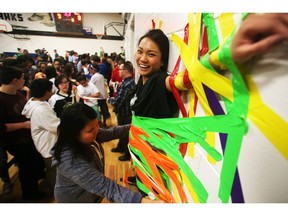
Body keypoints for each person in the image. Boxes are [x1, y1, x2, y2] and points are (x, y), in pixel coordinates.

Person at [51, 102, 164, 203]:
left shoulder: (89, 136)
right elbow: (108, 187)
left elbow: (112, 132)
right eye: (90, 130)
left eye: (97, 125)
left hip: (91, 194)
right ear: (73, 133)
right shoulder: (71, 161)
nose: (96, 131)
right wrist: (144, 202)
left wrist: (138, 128)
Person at [0, 65, 46, 201]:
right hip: (17, 141)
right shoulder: (2, 99)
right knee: (27, 169)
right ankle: (30, 195)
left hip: (28, 137)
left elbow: (25, 108)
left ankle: (35, 186)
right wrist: (24, 125)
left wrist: (27, 93)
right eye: (22, 78)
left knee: (33, 164)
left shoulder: (18, 93)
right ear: (15, 80)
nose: (24, 81)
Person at [22, 78, 59, 197]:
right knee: (54, 171)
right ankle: (58, 193)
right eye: (51, 89)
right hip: (48, 145)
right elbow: (56, 127)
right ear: (46, 92)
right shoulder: (41, 109)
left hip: (45, 142)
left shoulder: (35, 101)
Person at [130, 29, 179, 118]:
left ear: (162, 60)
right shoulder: (142, 80)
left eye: (151, 54)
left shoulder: (159, 81)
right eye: (140, 51)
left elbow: (176, 81)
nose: (143, 59)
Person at [107, 61, 136, 161]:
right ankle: (121, 147)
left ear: (126, 71)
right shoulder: (129, 82)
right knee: (122, 132)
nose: (118, 71)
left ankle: (127, 154)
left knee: (126, 134)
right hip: (126, 113)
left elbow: (117, 102)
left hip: (125, 114)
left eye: (120, 69)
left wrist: (109, 99)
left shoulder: (126, 85)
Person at [89, 63, 111, 127]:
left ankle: (100, 123)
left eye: (90, 69)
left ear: (93, 69)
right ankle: (104, 122)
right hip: (103, 95)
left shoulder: (94, 77)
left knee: (98, 110)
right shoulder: (101, 75)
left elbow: (90, 85)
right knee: (104, 110)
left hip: (98, 96)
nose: (90, 70)